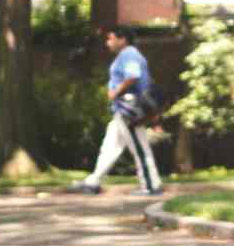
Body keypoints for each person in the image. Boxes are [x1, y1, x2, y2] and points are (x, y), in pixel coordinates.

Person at [68, 26, 164, 196]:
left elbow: (133, 75)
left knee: (139, 148)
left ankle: (151, 185)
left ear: (123, 39)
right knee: (110, 147)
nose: (108, 43)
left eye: (111, 38)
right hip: (123, 110)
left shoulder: (129, 54)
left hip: (129, 110)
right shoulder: (127, 54)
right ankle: (93, 182)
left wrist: (115, 92)